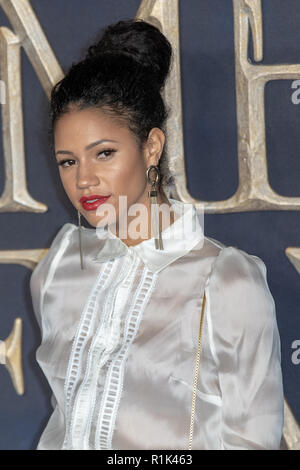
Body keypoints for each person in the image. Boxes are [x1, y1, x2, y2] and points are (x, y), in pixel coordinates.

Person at [29, 18, 284, 450]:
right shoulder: (59, 269)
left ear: (151, 147)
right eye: (67, 161)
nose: (84, 180)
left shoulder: (224, 280)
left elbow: (253, 441)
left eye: (104, 154)